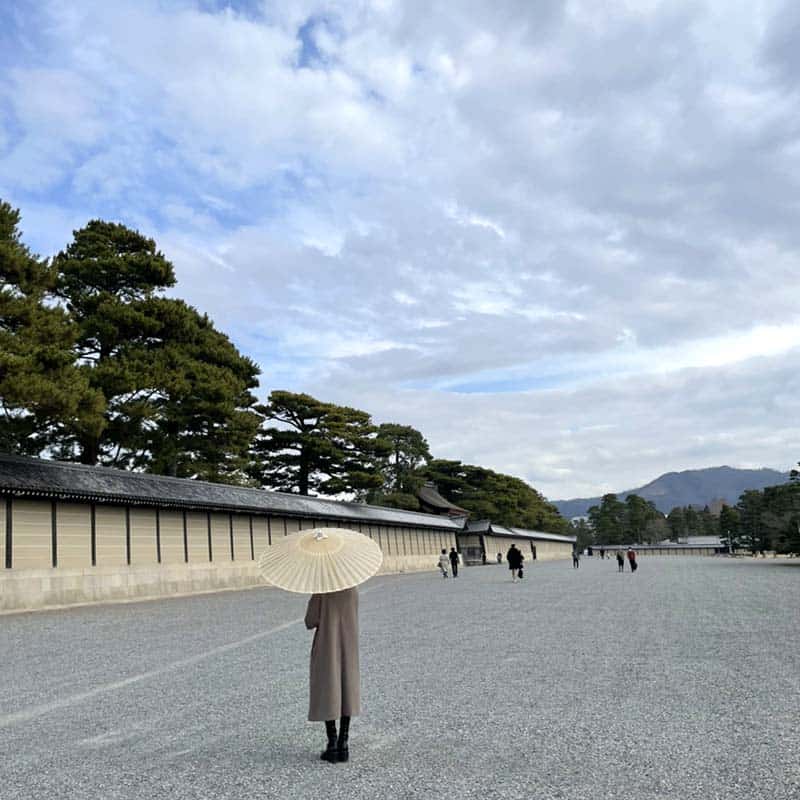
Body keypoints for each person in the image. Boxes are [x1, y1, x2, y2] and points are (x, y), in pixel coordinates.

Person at [305, 588, 361, 763]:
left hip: (327, 645)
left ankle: (332, 743)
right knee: (347, 688)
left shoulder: (322, 590)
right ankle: (344, 743)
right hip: (348, 644)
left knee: (328, 687)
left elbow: (310, 621)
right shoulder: (352, 589)